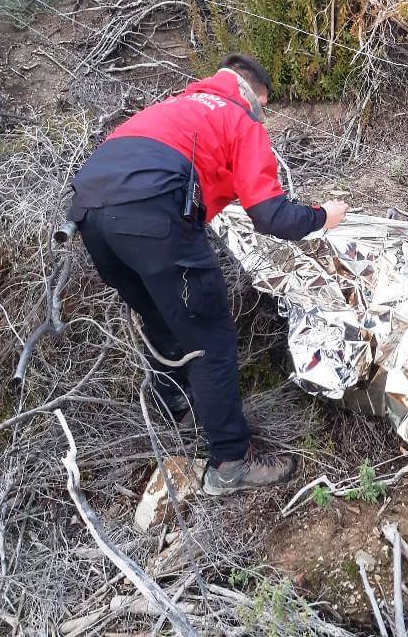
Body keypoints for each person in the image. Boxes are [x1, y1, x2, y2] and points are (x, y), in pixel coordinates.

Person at [66, 55, 348, 495]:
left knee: (161, 317)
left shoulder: (170, 110)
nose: (262, 115)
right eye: (264, 107)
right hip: (152, 217)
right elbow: (271, 216)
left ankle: (174, 408)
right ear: (254, 96)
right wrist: (321, 217)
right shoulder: (240, 119)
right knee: (209, 338)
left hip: (89, 217)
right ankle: (231, 463)